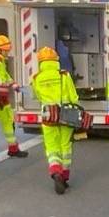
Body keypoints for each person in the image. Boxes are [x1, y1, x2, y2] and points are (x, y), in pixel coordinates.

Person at [32, 46, 78, 194]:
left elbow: (37, 96)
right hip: (65, 114)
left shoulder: (36, 78)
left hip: (48, 116)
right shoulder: (63, 75)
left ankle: (55, 171)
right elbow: (73, 96)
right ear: (56, 60)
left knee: (52, 147)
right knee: (65, 146)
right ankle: (64, 177)